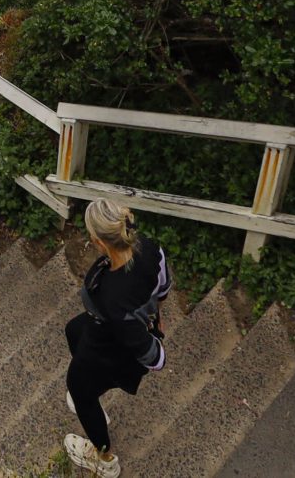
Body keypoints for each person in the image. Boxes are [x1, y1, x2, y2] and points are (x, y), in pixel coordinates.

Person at [59, 200, 172, 477]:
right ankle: (93, 390)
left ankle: (104, 458)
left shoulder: (111, 295)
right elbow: (163, 287)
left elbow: (151, 356)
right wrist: (155, 315)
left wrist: (156, 352)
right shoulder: (151, 248)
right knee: (73, 330)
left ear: (99, 242)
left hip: (112, 339)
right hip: (113, 327)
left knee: (77, 387)